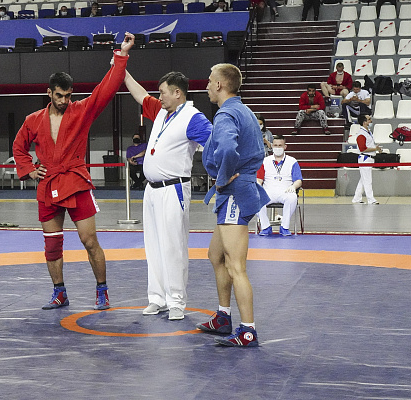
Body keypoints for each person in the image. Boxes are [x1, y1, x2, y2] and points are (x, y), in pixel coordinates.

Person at [12, 32, 135, 311]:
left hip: (76, 181)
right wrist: (30, 170)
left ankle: (102, 290)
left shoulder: (81, 111)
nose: (64, 100)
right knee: (52, 245)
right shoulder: (33, 120)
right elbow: (19, 146)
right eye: (59, 95)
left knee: (89, 240)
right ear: (49, 93)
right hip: (48, 184)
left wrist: (122, 55)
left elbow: (106, 89)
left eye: (68, 96)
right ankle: (59, 293)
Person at [123, 70, 212, 320]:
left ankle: (176, 302)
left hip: (174, 189)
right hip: (151, 190)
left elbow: (217, 142)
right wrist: (123, 70)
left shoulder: (193, 118)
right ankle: (157, 298)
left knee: (173, 246)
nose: (159, 97)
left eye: (162, 92)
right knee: (153, 246)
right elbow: (141, 95)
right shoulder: (163, 111)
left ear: (177, 93)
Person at [196, 63, 270, 347]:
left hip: (235, 193)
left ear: (219, 85)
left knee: (236, 266)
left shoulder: (227, 113)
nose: (206, 86)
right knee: (216, 255)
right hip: (236, 192)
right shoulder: (243, 109)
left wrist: (223, 177)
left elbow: (228, 148)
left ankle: (248, 331)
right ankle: (223, 316)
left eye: (209, 81)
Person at [256, 135, 303, 236]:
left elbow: (298, 180)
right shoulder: (265, 161)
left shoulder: (292, 161)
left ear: (285, 147)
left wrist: (293, 187)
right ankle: (265, 227)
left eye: (280, 145)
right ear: (272, 146)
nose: (277, 148)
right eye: (275, 145)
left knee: (292, 198)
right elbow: (259, 179)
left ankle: (284, 227)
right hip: (268, 192)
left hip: (286, 191)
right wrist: (258, 186)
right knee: (255, 198)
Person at [352, 114, 381, 205]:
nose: (371, 121)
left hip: (369, 158)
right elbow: (362, 149)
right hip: (365, 158)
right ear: (364, 122)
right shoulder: (361, 134)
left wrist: (376, 149)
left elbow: (369, 146)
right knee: (368, 180)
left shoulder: (368, 132)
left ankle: (356, 198)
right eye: (369, 119)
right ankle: (371, 199)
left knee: (363, 180)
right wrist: (375, 149)